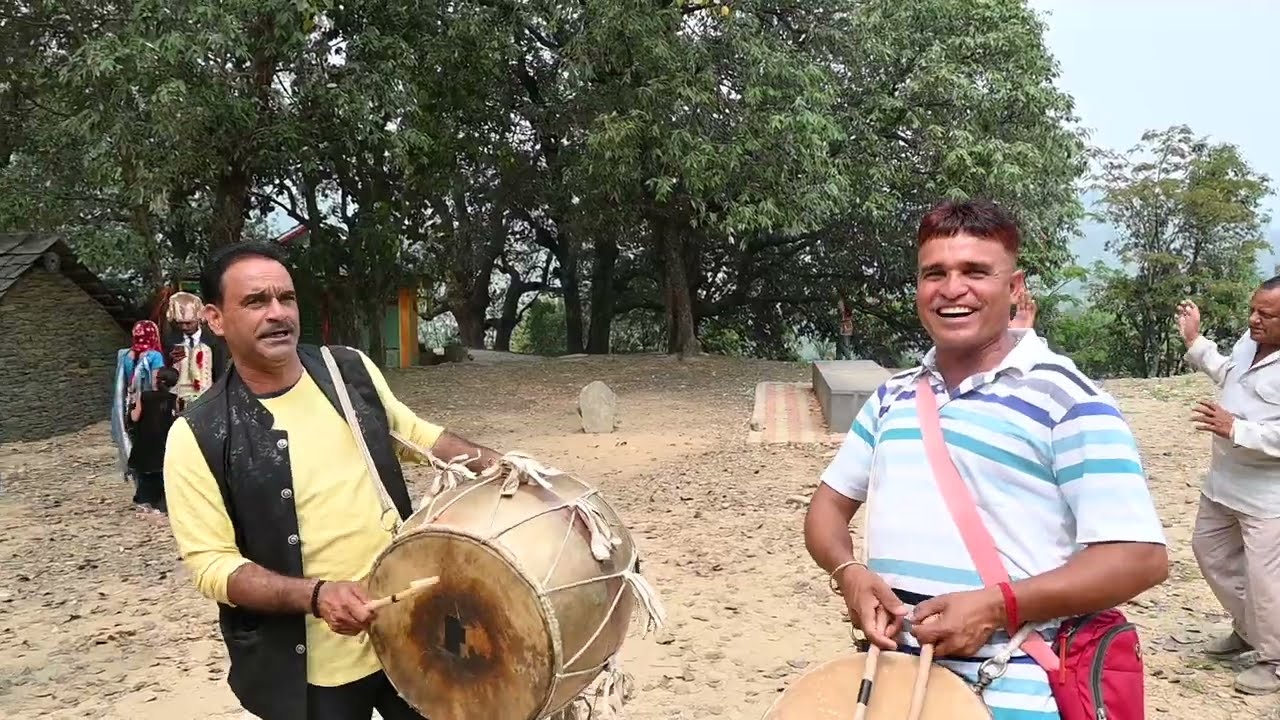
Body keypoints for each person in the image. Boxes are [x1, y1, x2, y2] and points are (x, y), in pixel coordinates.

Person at [804, 198, 1169, 720]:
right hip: (889, 688)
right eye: (936, 273)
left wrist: (998, 605)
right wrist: (849, 574)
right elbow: (826, 510)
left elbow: (1140, 557)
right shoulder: (893, 397)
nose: (953, 289)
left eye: (975, 271)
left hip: (1014, 691)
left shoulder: (1068, 400)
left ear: (1015, 288)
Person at [163, 241, 502, 720]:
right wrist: (317, 595)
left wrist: (506, 469)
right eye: (256, 302)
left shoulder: (346, 370)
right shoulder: (198, 434)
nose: (278, 313)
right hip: (310, 673)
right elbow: (212, 566)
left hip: (409, 631)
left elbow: (414, 436)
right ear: (216, 319)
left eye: (287, 297)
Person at [1177, 287, 1280, 695]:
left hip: (1267, 495)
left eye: (1266, 315)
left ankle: (1274, 661)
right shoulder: (1248, 342)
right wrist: (1196, 342)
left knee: (1266, 580)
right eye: (1253, 311)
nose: (1254, 320)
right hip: (1223, 481)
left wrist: (1236, 428)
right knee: (1211, 554)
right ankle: (1249, 630)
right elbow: (1228, 374)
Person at [110, 320, 166, 483]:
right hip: (149, 406)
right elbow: (156, 383)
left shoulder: (126, 356)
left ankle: (139, 480)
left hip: (131, 404)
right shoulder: (154, 356)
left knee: (136, 441)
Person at [164, 289, 228, 408]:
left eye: (189, 323)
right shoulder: (171, 341)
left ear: (198, 319)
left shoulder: (214, 341)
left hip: (206, 399)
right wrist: (169, 360)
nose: (184, 327)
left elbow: (220, 371)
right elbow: (165, 372)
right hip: (178, 400)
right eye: (180, 323)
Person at [128, 365, 178, 513]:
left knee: (145, 474)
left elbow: (135, 417)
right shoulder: (173, 399)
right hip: (164, 440)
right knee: (162, 472)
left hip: (145, 439)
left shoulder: (144, 396)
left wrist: (131, 407)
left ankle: (144, 499)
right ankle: (161, 500)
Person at [836, 291, 855, 360]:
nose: (838, 305)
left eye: (840, 304)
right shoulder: (841, 313)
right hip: (843, 330)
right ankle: (838, 358)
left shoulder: (846, 312)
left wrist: (844, 324)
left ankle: (848, 358)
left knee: (844, 345)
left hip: (846, 330)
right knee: (839, 345)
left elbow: (849, 319)